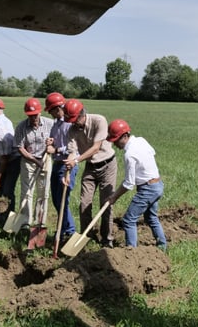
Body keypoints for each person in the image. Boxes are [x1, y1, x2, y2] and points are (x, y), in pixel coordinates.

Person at [105, 119, 167, 252]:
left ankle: (131, 252)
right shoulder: (141, 140)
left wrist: (114, 197)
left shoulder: (129, 154)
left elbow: (129, 183)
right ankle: (162, 246)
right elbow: (152, 153)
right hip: (157, 184)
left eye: (116, 140)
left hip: (148, 189)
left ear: (125, 136)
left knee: (128, 220)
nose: (115, 144)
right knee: (151, 217)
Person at [63, 99, 117, 248]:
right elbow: (72, 152)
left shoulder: (99, 121)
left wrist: (77, 160)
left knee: (106, 204)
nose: (74, 123)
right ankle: (86, 238)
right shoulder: (72, 130)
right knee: (84, 203)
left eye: (75, 120)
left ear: (82, 114)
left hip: (107, 165)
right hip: (90, 166)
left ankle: (107, 240)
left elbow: (96, 147)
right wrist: (67, 170)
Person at [13, 97, 54, 230]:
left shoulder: (50, 124)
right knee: (26, 192)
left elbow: (56, 141)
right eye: (30, 116)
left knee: (43, 193)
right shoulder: (21, 127)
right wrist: (35, 161)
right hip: (28, 162)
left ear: (40, 113)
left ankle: (40, 221)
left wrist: (52, 144)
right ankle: (25, 222)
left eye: (35, 115)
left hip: (46, 161)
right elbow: (20, 148)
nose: (33, 118)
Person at [45, 92, 76, 241]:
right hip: (57, 163)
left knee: (63, 199)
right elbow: (56, 141)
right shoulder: (56, 123)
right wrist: (51, 142)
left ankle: (68, 231)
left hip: (67, 164)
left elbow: (73, 148)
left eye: (50, 110)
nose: (50, 113)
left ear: (58, 108)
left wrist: (56, 149)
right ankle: (65, 229)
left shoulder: (70, 124)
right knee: (57, 200)